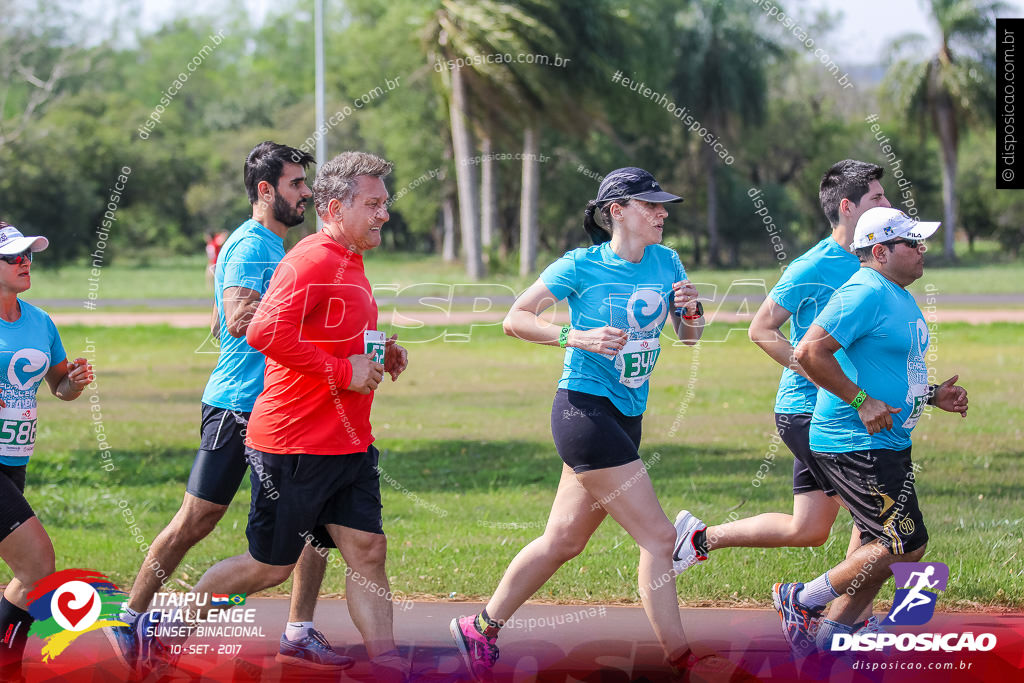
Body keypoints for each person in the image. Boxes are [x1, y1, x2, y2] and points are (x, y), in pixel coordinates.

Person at [135, 151, 410, 679]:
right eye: (373, 204)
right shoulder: (311, 259)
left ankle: (390, 667)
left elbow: (332, 334)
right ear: (336, 208)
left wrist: (381, 352)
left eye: (384, 203)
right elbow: (259, 332)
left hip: (347, 442)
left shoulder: (350, 260)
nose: (384, 215)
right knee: (269, 567)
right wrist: (340, 370)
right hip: (293, 443)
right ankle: (165, 632)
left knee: (368, 551)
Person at [105, 142, 353, 673]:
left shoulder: (287, 247)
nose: (306, 194)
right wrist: (309, 318)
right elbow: (240, 319)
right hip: (237, 405)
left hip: (288, 410)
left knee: (315, 520)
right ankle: (130, 616)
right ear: (265, 191)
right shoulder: (249, 246)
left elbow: (224, 322)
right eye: (295, 185)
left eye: (306, 185)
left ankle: (299, 629)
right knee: (198, 519)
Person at [450, 167, 705, 681]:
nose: (662, 214)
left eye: (663, 206)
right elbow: (515, 317)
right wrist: (574, 336)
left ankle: (479, 628)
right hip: (582, 411)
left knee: (563, 540)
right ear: (617, 211)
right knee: (658, 538)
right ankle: (683, 661)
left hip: (626, 414)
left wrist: (693, 310)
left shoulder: (667, 260)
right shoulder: (580, 265)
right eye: (650, 205)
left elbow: (691, 335)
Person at [672, 160, 891, 632]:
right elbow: (761, 328)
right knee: (876, 517)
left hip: (839, 408)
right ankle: (842, 620)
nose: (887, 204)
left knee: (809, 529)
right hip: (812, 411)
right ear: (849, 208)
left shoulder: (872, 257)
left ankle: (701, 538)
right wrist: (816, 372)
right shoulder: (812, 265)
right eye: (877, 198)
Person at [774, 206, 968, 656]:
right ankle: (801, 599)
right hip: (855, 443)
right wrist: (860, 401)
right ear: (880, 251)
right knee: (906, 544)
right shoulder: (864, 290)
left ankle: (824, 645)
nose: (922, 250)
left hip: (887, 442)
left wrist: (933, 394)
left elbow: (891, 371)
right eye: (912, 243)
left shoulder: (895, 293)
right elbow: (809, 352)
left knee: (881, 549)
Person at [0, 223, 94, 680]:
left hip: (15, 459)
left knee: (30, 571)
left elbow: (58, 385)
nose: (25, 262)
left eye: (28, 255)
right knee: (37, 564)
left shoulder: (40, 321)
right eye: (14, 256)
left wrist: (70, 382)